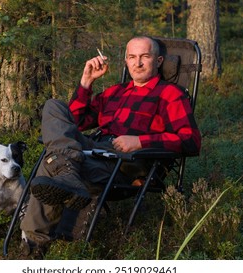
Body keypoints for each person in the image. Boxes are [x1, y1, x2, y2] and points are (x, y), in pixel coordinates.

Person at [20, 36, 201, 259]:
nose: (138, 63)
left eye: (145, 56)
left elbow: (190, 140)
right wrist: (86, 82)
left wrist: (140, 141)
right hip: (96, 150)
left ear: (159, 60)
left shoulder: (170, 94)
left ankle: (33, 245)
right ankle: (65, 170)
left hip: (128, 164)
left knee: (52, 163)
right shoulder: (116, 92)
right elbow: (75, 122)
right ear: (126, 60)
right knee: (54, 106)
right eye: (132, 57)